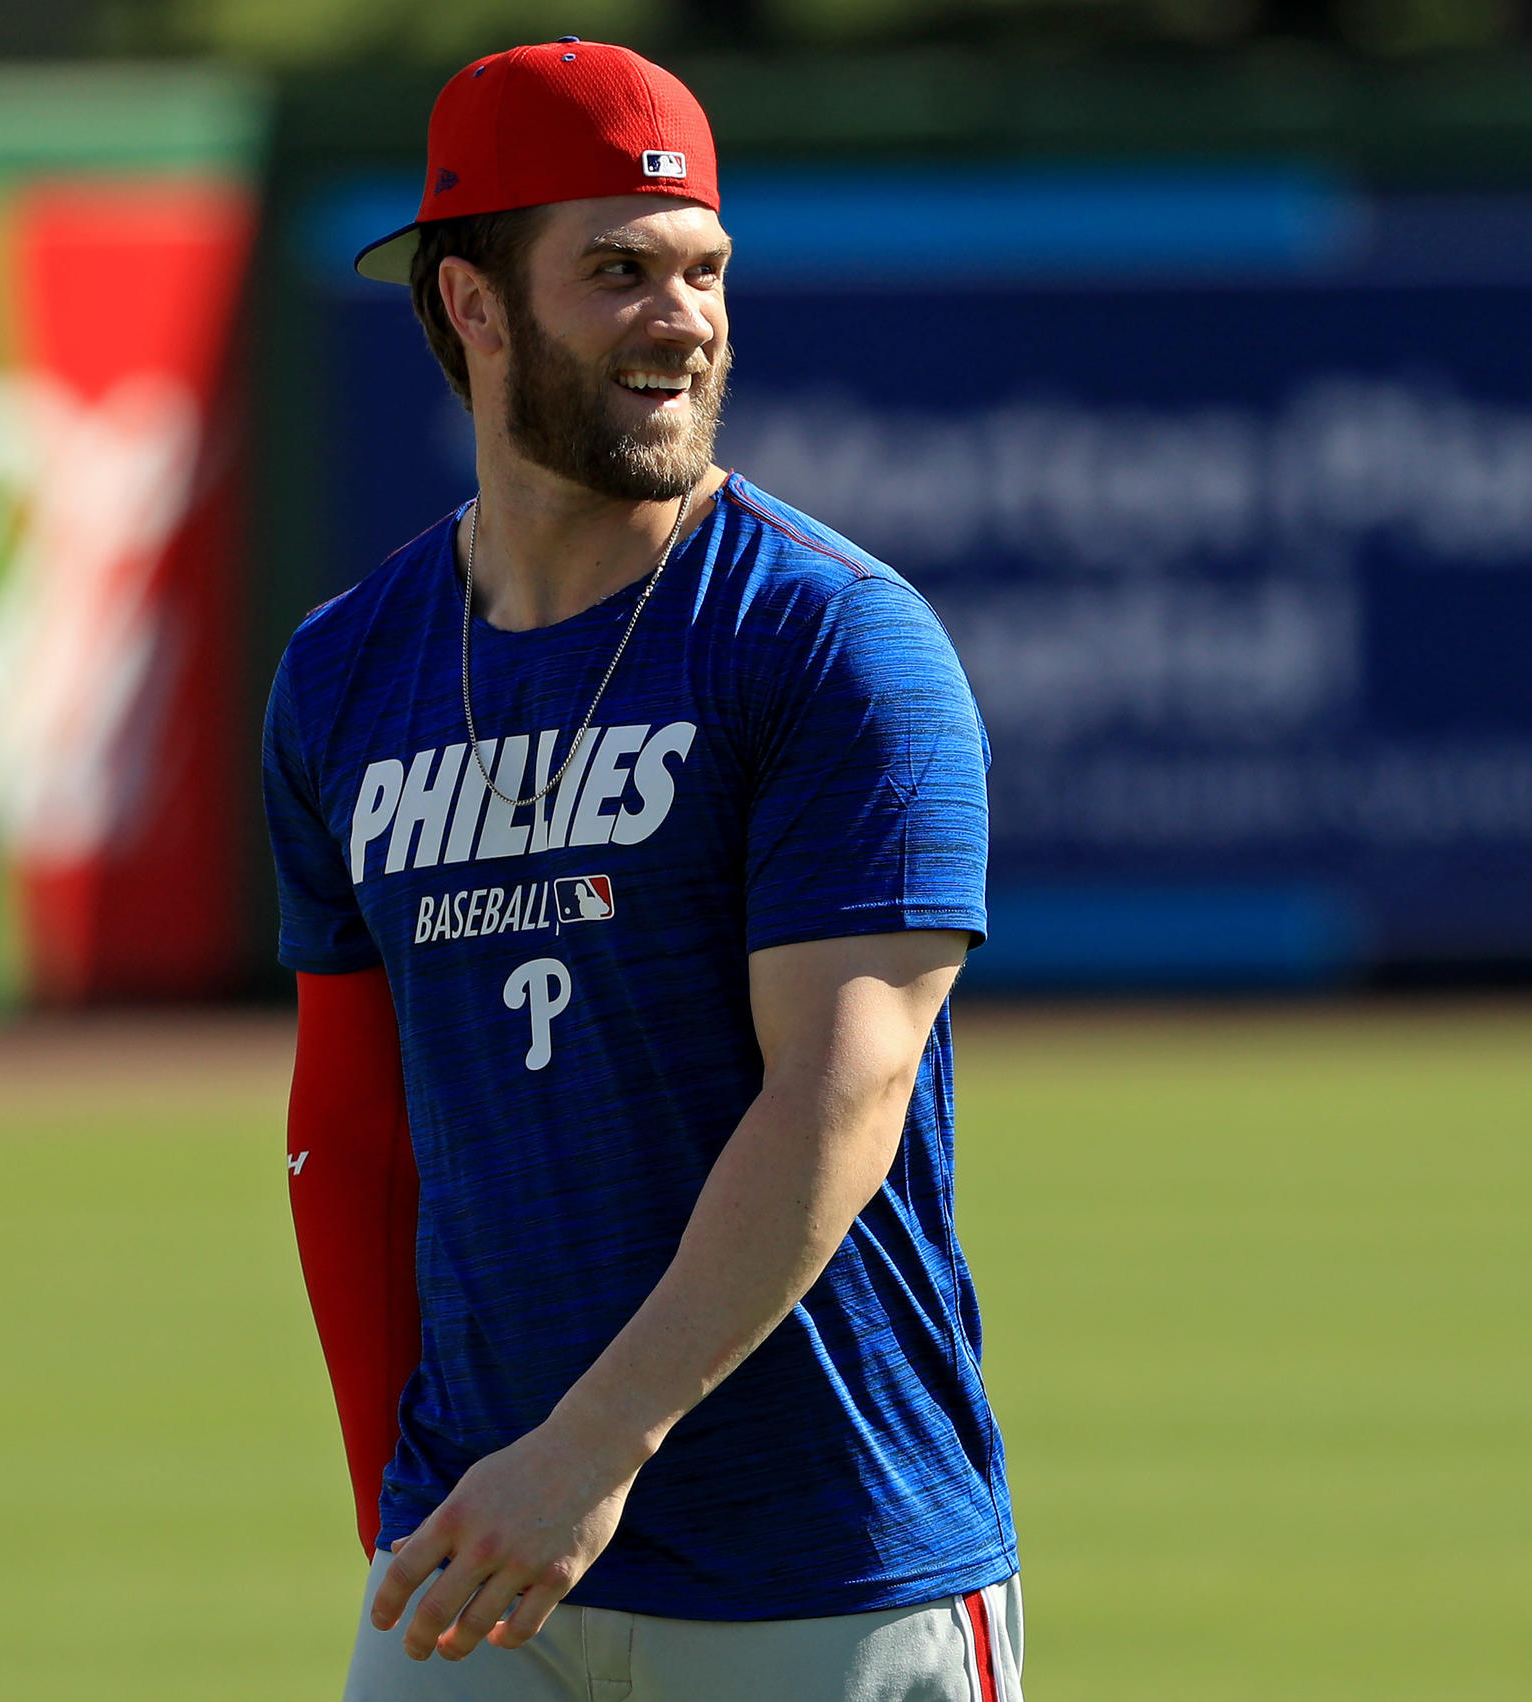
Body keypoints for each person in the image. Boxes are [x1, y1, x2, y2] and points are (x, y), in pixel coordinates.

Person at [263, 38, 1020, 1701]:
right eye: (617, 270)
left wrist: (589, 1453)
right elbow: (350, 1129)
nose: (682, 318)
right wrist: (401, 1501)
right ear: (472, 304)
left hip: (823, 1563)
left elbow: (840, 1091)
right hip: (485, 1558)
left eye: (703, 271)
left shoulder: (829, 641)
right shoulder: (343, 674)